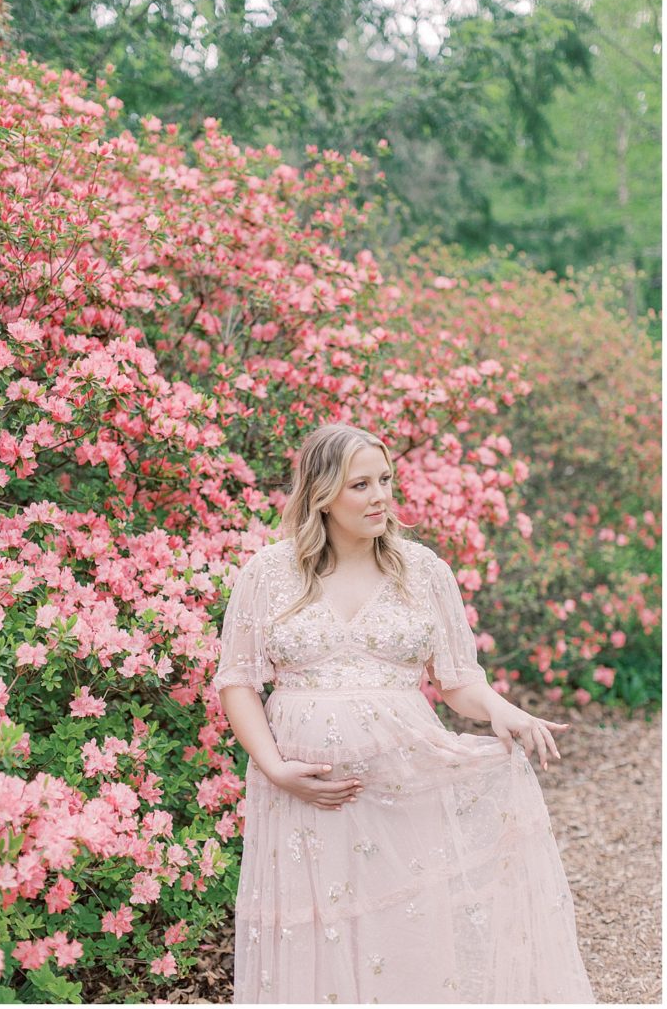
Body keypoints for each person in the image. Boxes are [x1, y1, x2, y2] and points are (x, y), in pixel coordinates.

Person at [214, 422, 596, 1004]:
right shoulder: (268, 574)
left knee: (403, 928)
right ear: (321, 492)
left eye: (385, 480)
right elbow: (237, 683)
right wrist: (272, 766)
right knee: (314, 927)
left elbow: (459, 679)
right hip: (302, 792)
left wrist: (504, 712)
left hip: (403, 781)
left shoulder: (422, 572)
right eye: (360, 485)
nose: (380, 497)